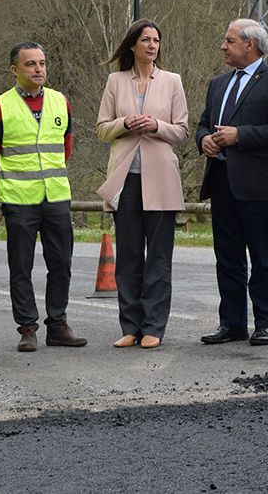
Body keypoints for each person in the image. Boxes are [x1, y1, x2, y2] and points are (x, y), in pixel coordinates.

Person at [0, 42, 88, 352]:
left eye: (42, 63)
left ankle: (58, 325)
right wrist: (14, 179)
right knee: (21, 267)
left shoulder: (60, 102)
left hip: (55, 196)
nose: (38, 69)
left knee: (61, 264)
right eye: (30, 64)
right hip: (19, 200)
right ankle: (28, 327)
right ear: (15, 70)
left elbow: (65, 147)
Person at [196, 19, 268, 346]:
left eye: (229, 41)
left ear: (250, 45)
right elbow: (202, 126)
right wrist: (204, 142)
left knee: (263, 258)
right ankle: (232, 323)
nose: (223, 46)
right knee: (227, 257)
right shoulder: (217, 84)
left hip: (259, 185)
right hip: (222, 182)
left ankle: (265, 322)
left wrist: (240, 135)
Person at [96, 19, 190, 350]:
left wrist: (155, 125)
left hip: (162, 180)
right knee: (129, 258)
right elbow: (102, 128)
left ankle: (154, 326)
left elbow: (182, 131)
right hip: (125, 181)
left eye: (156, 40)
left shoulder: (172, 81)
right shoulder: (115, 81)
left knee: (159, 258)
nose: (152, 45)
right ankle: (130, 327)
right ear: (133, 45)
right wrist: (124, 122)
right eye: (146, 40)